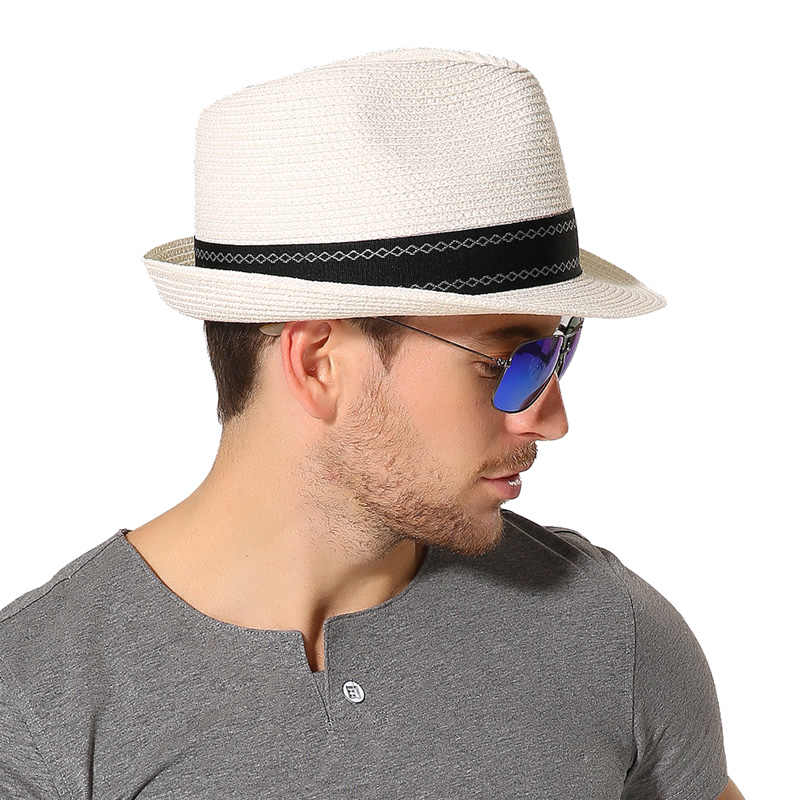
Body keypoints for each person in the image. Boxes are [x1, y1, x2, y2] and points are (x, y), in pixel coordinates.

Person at [0, 47, 744, 799]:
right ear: (320, 363)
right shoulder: (35, 704)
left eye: (557, 353)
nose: (550, 419)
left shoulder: (609, 633)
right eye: (506, 361)